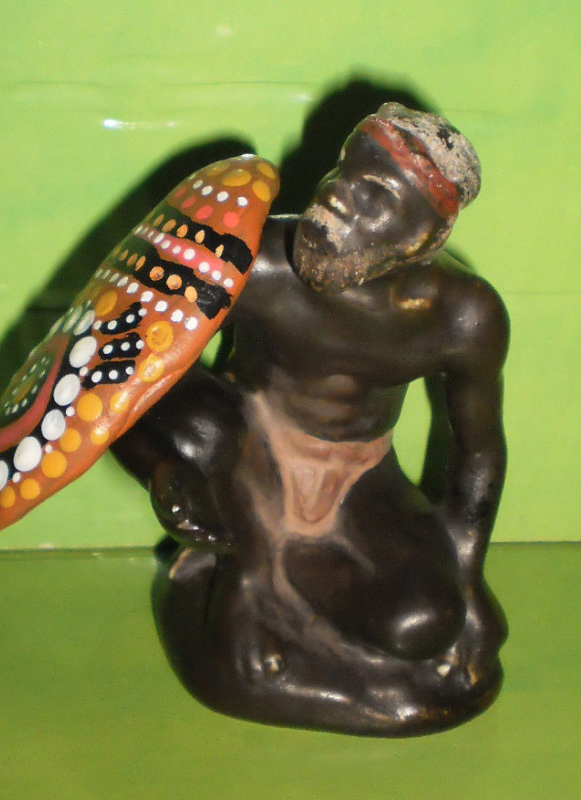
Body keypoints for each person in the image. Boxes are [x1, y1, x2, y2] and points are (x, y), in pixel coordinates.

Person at [112, 103, 509, 734]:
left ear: (422, 240)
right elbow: (117, 370)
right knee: (214, 428)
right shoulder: (251, 263)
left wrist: (466, 574)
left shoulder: (462, 317)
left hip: (358, 480)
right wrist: (161, 466)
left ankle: (285, 597)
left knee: (424, 624)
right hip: (243, 455)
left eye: (376, 196)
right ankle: (240, 577)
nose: (338, 195)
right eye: (345, 168)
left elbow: (477, 450)